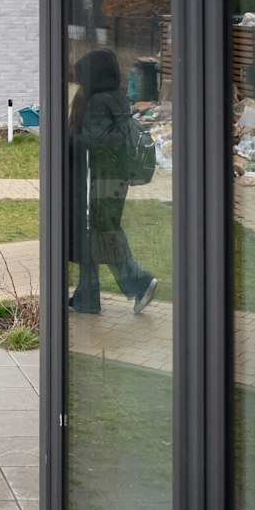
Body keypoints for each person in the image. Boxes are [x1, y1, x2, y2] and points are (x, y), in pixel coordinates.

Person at [69, 48, 159, 315]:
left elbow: (95, 141)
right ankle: (87, 296)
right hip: (112, 178)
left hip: (101, 180)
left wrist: (66, 140)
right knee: (94, 234)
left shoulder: (98, 101)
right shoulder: (116, 97)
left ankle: (139, 281)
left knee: (103, 234)